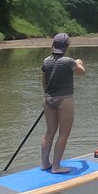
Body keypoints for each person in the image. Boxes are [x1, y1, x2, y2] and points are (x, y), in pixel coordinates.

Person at [40, 33, 86, 173]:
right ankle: (56, 166)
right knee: (63, 133)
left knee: (49, 132)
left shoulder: (46, 61)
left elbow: (44, 82)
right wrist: (78, 63)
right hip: (64, 100)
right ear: (66, 46)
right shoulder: (68, 61)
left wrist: (48, 97)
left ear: (53, 45)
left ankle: (45, 164)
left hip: (48, 99)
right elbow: (82, 72)